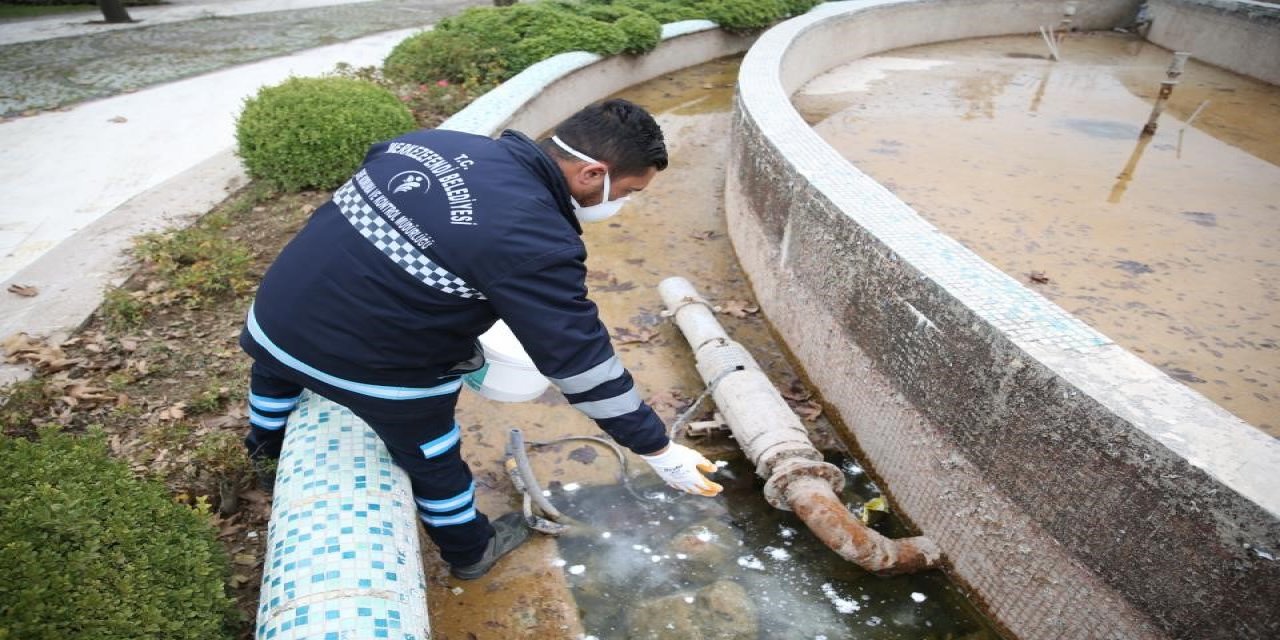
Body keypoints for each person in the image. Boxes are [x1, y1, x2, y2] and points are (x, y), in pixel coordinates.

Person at [239, 99, 723, 580]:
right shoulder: (537, 240)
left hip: (272, 323)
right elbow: (580, 363)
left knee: (275, 372)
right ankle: (471, 550)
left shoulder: (430, 144)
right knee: (433, 455)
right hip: (372, 369)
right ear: (593, 174)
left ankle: (263, 448)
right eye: (630, 191)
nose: (624, 203)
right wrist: (657, 449)